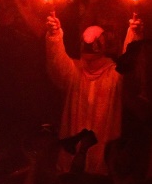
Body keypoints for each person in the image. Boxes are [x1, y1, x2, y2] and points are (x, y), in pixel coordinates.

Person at [45, 15, 143, 174]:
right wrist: (54, 34)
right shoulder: (74, 71)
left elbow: (129, 64)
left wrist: (134, 34)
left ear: (104, 46)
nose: (90, 47)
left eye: (95, 44)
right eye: (86, 44)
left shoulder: (114, 74)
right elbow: (56, 62)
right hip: (70, 165)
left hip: (101, 165)